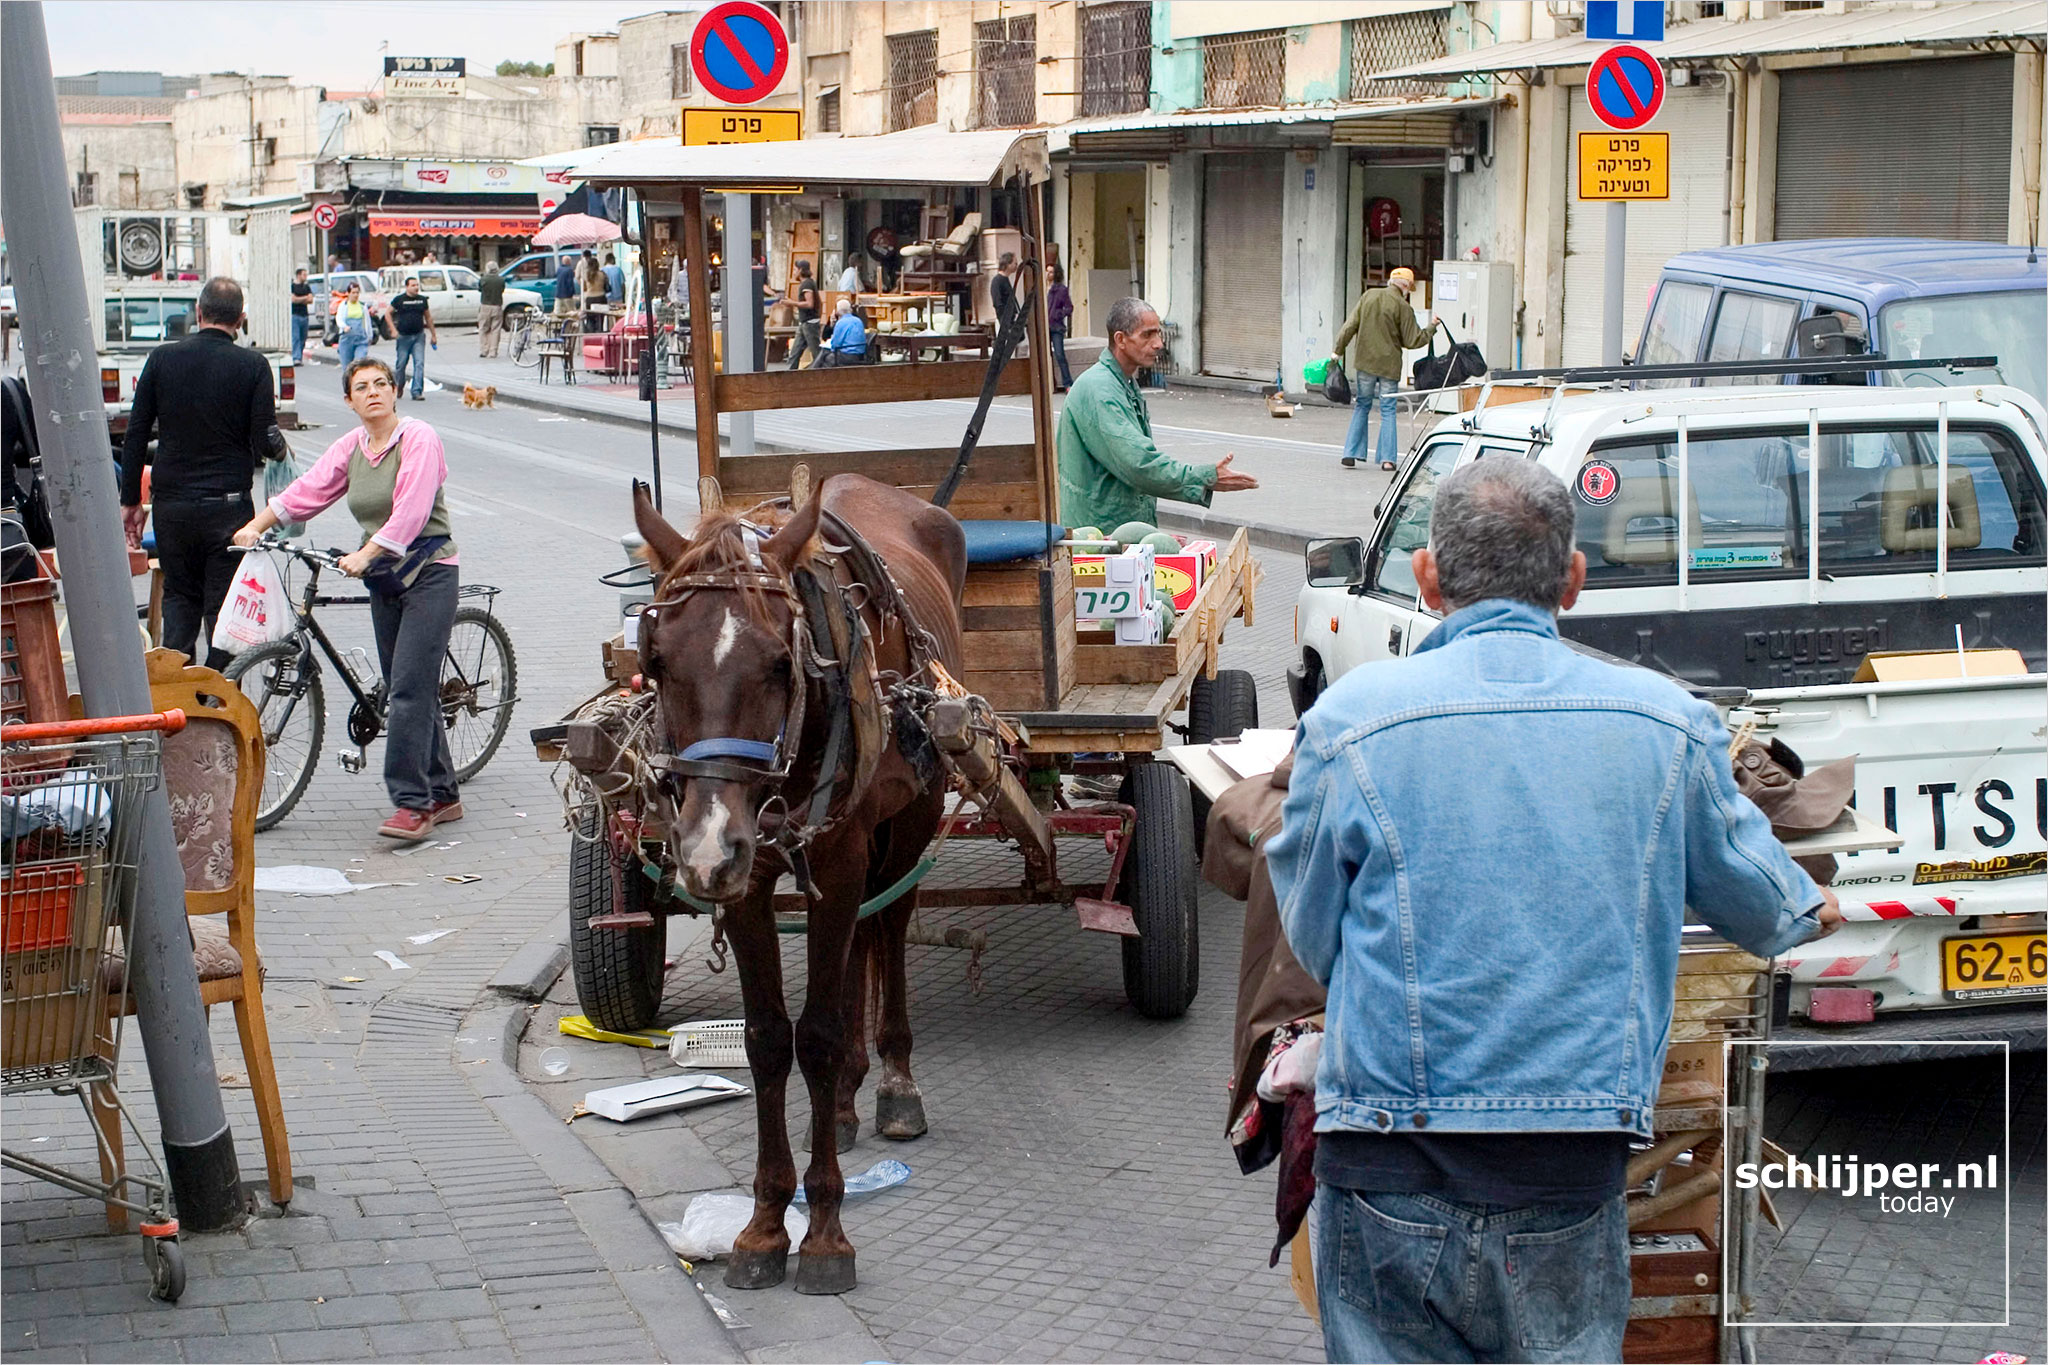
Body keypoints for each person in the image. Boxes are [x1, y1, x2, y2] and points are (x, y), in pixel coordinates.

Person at [1266, 457, 1841, 1365]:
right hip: (1569, 1172)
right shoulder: (1666, 721)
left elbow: (1312, 930)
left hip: (1387, 1162)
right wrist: (1819, 904)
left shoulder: (1350, 720)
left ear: (1427, 576)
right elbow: (1772, 912)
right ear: (1573, 579)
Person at [232, 358, 463, 843]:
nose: (373, 392)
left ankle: (412, 804)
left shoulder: (418, 438)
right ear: (349, 401)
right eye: (362, 387)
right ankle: (444, 793)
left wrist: (368, 551)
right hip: (385, 578)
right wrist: (260, 524)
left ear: (395, 392)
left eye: (382, 384)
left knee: (406, 690)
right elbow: (310, 489)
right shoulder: (353, 446)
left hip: (429, 573)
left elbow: (413, 509)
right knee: (407, 684)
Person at [118, 277, 278, 671]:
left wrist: (130, 501)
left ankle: (179, 709)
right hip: (229, 510)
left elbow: (136, 432)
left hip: (173, 509)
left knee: (179, 600)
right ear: (241, 319)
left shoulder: (162, 359)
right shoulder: (254, 366)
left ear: (198, 312)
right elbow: (264, 442)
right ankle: (217, 703)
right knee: (224, 613)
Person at [1056, 296, 1256, 532]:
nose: (1159, 343)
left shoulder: (1123, 382)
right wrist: (1202, 477)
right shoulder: (1100, 389)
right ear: (1120, 339)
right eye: (1147, 335)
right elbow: (1138, 463)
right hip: (1100, 536)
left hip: (1123, 531)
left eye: (1158, 334)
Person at [1332, 266, 1437, 471]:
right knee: (1387, 410)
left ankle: (1350, 453)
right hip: (1389, 366)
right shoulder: (1402, 306)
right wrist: (1432, 327)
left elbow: (1349, 326)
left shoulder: (1368, 296)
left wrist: (1337, 351)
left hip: (1365, 362)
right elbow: (1413, 340)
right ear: (1405, 286)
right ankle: (1387, 460)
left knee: (1362, 404)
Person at [387, 276, 438, 402]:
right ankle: (399, 385)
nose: (416, 288)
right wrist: (393, 330)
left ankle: (417, 391)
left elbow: (428, 317)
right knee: (401, 364)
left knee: (419, 363)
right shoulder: (399, 300)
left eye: (417, 285)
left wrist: (433, 334)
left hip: (418, 336)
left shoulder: (422, 300)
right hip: (403, 337)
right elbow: (388, 313)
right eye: (413, 285)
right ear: (407, 287)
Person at [786, 259, 821, 370]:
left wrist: (792, 303)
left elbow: (810, 303)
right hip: (805, 323)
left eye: (795, 270)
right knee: (794, 353)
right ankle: (789, 377)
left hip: (809, 323)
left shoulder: (807, 284)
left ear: (801, 270)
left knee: (816, 353)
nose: (794, 272)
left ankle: (822, 373)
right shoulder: (809, 283)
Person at [817, 296, 868, 367]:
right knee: (825, 353)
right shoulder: (858, 320)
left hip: (847, 356)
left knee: (825, 357)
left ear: (837, 312)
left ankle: (812, 373)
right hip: (860, 354)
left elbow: (835, 345)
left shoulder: (840, 323)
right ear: (850, 309)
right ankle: (810, 370)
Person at [1046, 264, 1073, 391]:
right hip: (1044, 326)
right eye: (1047, 271)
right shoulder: (1041, 288)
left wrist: (1058, 314)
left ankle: (1068, 383)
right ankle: (1050, 384)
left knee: (1059, 354)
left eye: (1051, 272)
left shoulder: (1061, 289)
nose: (1048, 274)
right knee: (1045, 356)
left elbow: (1069, 307)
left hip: (1056, 326)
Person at [335, 280, 373, 367]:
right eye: (353, 293)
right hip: (346, 340)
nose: (355, 295)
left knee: (359, 364)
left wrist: (369, 336)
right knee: (347, 367)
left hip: (361, 339)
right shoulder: (343, 305)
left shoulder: (362, 306)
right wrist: (344, 327)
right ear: (348, 293)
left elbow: (367, 322)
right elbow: (339, 318)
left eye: (357, 292)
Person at [477, 263, 506, 358]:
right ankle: (493, 351)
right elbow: (502, 290)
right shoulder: (501, 280)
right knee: (496, 329)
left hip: (485, 305)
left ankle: (484, 350)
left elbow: (480, 289)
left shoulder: (483, 279)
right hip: (497, 305)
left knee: (483, 328)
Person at [289, 267, 312, 366]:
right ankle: (296, 358)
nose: (305, 276)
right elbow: (293, 300)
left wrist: (301, 299)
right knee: (296, 337)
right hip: (295, 315)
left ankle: (300, 356)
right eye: (304, 274)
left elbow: (310, 300)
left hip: (304, 315)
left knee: (303, 337)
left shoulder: (307, 287)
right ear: (298, 275)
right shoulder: (293, 286)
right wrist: (305, 298)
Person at [990, 251, 1019, 329]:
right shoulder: (997, 281)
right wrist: (1004, 321)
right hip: (1005, 322)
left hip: (1010, 320)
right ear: (1008, 264)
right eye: (1015, 263)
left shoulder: (1005, 279)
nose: (1016, 265)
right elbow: (997, 302)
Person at [553, 254, 579, 319]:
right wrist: (572, 293)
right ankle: (573, 325)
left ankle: (560, 323)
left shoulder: (559, 269)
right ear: (568, 262)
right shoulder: (569, 270)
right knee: (572, 312)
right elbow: (570, 283)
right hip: (567, 295)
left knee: (558, 312)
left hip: (558, 294)